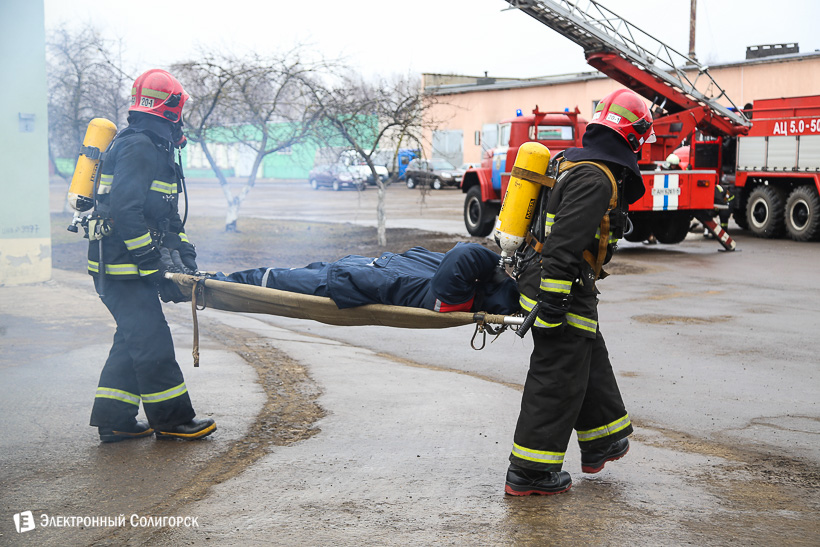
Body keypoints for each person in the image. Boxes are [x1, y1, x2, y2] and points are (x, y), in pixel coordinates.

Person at [505, 88, 654, 495]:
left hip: (561, 282)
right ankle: (530, 472)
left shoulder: (575, 162)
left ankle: (603, 439)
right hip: (560, 285)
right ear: (633, 135)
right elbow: (563, 244)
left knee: (588, 354)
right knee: (558, 374)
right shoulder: (594, 177)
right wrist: (552, 304)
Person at [88, 69, 216, 443]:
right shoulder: (139, 146)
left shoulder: (155, 147)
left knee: (132, 341)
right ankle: (172, 420)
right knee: (151, 341)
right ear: (172, 107)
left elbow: (166, 213)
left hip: (126, 267)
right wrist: (151, 265)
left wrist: (185, 254)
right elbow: (125, 212)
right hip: (120, 269)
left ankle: (115, 420)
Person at [214, 242, 519, 315]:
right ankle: (213, 281)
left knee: (269, 281)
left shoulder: (454, 298)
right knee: (273, 275)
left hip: (344, 283)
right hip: (356, 269)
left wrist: (498, 266)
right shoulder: (470, 283)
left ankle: (210, 286)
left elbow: (464, 252)